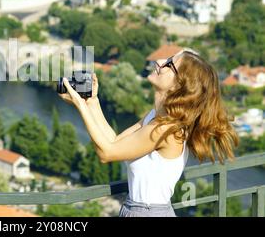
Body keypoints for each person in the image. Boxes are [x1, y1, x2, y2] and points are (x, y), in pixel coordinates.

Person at [58, 49, 239, 217]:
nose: (160, 61)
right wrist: (92, 102)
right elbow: (114, 142)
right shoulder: (156, 117)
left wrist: (80, 106)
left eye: (169, 64)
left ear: (179, 85)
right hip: (136, 208)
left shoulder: (167, 129)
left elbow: (106, 154)